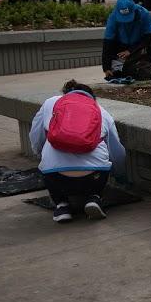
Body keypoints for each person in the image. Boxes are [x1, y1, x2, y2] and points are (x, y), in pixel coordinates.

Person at [29, 80, 126, 223]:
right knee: (101, 163)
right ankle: (94, 198)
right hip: (94, 175)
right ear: (92, 97)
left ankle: (62, 206)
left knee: (48, 165)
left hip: (55, 175)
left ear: (65, 94)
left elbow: (36, 135)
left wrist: (39, 154)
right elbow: (117, 152)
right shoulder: (102, 111)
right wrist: (119, 175)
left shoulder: (51, 103)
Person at [103, 0, 151, 80]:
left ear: (134, 9)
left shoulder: (144, 14)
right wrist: (106, 68)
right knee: (117, 73)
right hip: (120, 46)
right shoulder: (113, 17)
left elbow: (149, 38)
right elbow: (108, 43)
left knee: (144, 73)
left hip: (138, 45)